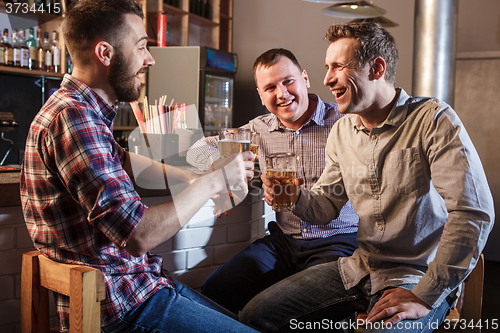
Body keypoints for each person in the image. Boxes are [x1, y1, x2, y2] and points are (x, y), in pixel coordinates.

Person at [239, 22, 495, 333]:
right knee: (256, 315)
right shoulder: (342, 131)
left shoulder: (433, 120)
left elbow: (473, 213)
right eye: (326, 67)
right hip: (360, 268)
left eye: (338, 66)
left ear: (376, 68)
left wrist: (425, 296)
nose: (326, 78)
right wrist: (295, 196)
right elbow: (326, 207)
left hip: (417, 275)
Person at [19, 0, 258, 332]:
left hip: (138, 286)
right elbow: (139, 235)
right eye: (142, 46)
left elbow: (122, 158)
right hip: (123, 308)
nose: (151, 59)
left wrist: (190, 176)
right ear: (105, 53)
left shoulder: (79, 111)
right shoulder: (75, 119)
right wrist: (214, 182)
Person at [186, 48, 359, 315]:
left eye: (288, 81)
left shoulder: (346, 124)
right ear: (260, 95)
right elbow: (197, 150)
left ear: (305, 78)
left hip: (339, 240)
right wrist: (218, 170)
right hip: (284, 242)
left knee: (301, 308)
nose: (282, 93)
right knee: (218, 289)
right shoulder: (257, 130)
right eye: (270, 87)